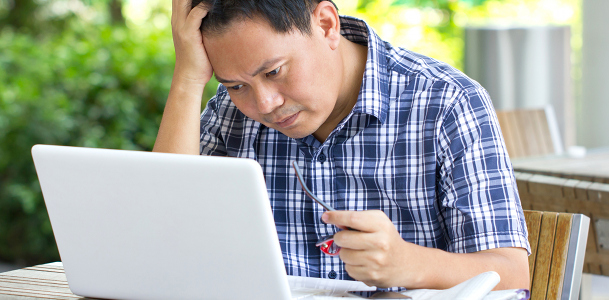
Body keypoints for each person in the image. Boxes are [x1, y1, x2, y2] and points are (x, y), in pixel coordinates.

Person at [154, 0, 531, 290]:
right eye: (236, 85)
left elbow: (513, 275)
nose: (264, 104)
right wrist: (188, 76)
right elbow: (162, 238)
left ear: (326, 25)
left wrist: (409, 264)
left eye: (273, 72)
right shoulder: (230, 113)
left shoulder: (446, 104)